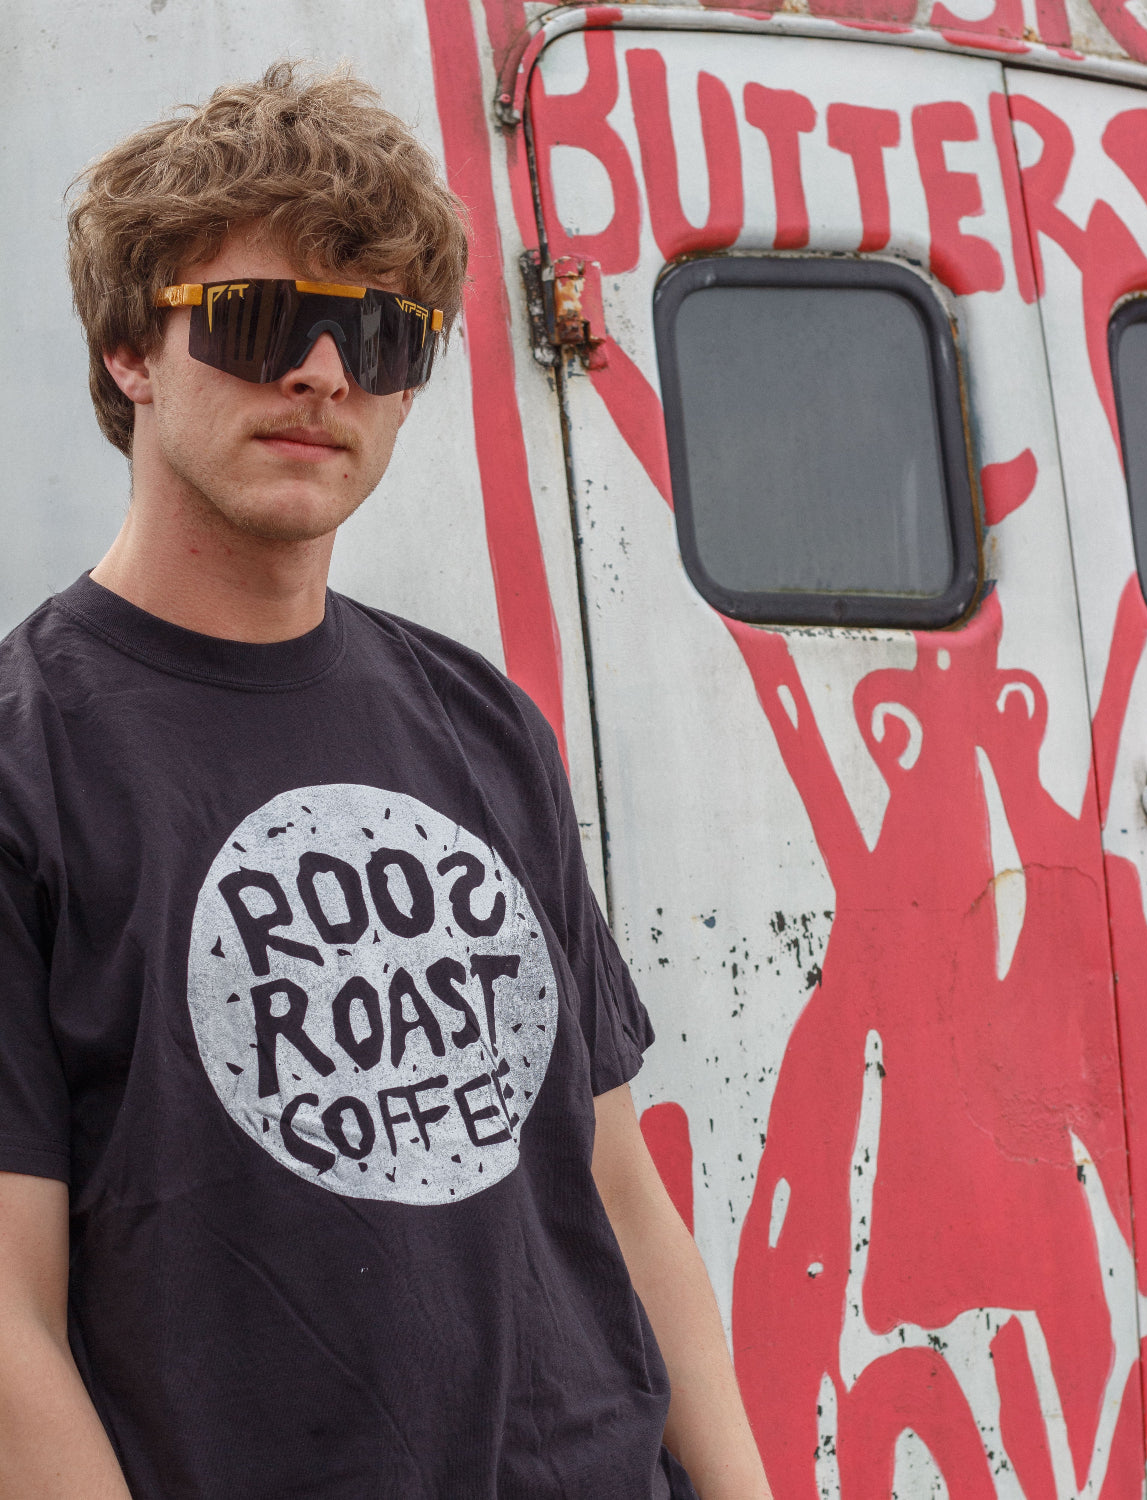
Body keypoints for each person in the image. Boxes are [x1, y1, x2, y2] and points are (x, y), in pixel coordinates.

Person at [0, 62, 772, 1500]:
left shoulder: (481, 723)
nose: (323, 373)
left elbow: (616, 1188)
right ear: (130, 351)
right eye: (259, 321)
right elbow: (9, 1325)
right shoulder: (30, 761)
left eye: (382, 336)